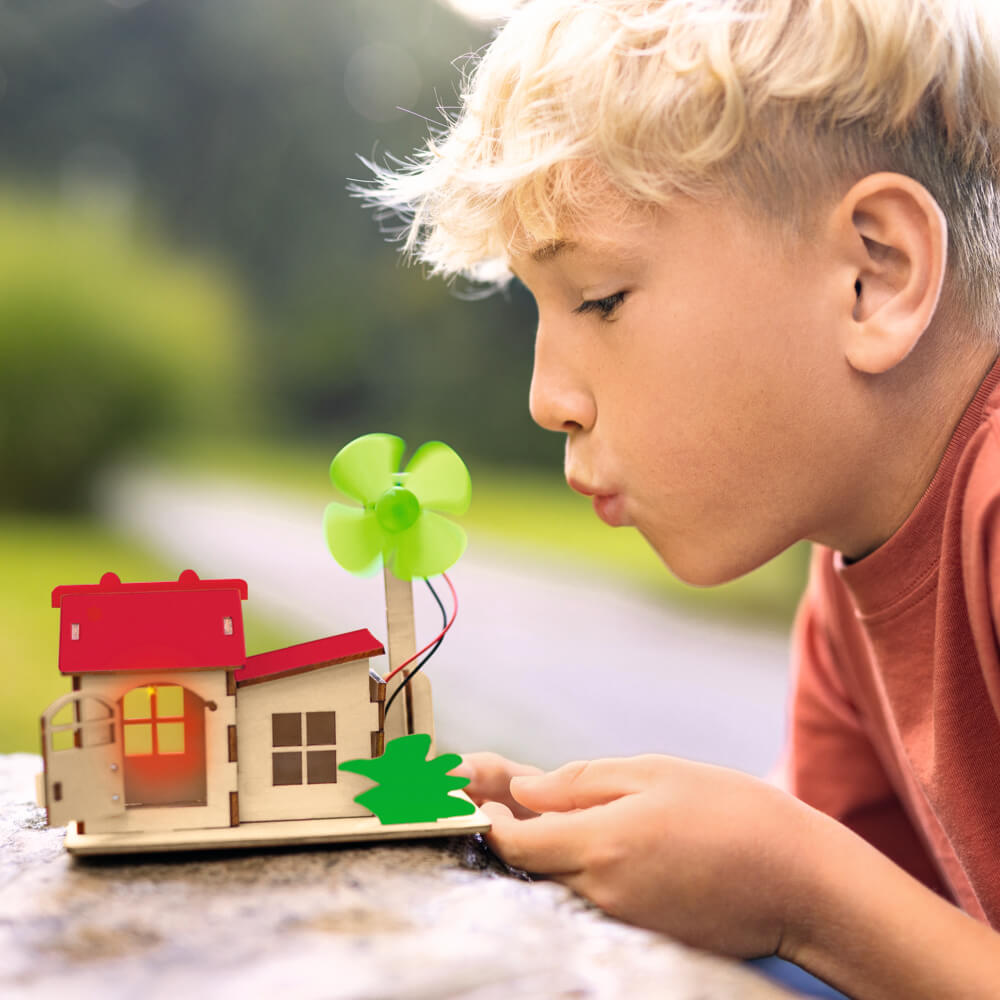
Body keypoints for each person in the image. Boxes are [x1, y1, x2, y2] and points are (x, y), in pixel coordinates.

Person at [357, 1, 1000, 995]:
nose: (546, 400)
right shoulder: (852, 557)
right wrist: (605, 836)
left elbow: (824, 901)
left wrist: (798, 891)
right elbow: (879, 931)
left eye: (601, 298)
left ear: (874, 275)